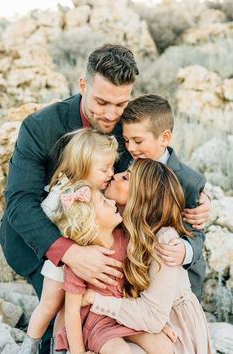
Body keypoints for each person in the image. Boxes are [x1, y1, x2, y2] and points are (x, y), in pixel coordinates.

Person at [0, 44, 209, 353]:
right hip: (47, 246)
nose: (111, 114)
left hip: (112, 245)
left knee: (147, 328)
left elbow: (159, 160)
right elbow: (19, 202)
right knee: (66, 331)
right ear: (83, 85)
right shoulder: (40, 128)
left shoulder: (128, 126)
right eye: (101, 101)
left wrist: (196, 195)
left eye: (120, 104)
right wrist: (70, 253)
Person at [83, 159, 213, 354]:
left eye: (126, 177)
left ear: (142, 195)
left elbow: (152, 316)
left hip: (174, 329)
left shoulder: (165, 241)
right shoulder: (115, 226)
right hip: (134, 322)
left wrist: (95, 300)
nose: (115, 175)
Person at [18, 128, 119, 354]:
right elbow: (44, 215)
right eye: (104, 169)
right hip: (61, 263)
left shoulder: (95, 193)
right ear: (83, 165)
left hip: (84, 265)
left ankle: (60, 347)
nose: (111, 173)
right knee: (50, 305)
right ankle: (29, 345)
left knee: (69, 308)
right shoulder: (66, 191)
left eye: (112, 167)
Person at [50, 181, 176, 354]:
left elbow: (139, 285)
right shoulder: (81, 261)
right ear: (91, 221)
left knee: (164, 345)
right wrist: (78, 352)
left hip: (126, 315)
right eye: (103, 201)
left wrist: (159, 326)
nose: (111, 202)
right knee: (120, 351)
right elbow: (71, 311)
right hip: (98, 325)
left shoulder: (125, 239)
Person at [119, 94, 207, 300]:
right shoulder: (124, 164)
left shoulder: (188, 181)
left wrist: (184, 250)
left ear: (164, 138)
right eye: (126, 140)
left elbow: (196, 231)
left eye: (138, 141)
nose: (131, 147)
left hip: (177, 277)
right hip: (136, 269)